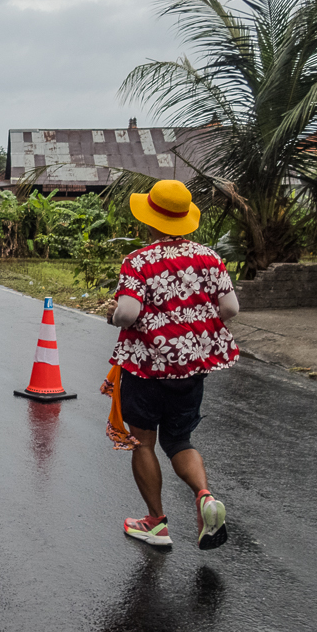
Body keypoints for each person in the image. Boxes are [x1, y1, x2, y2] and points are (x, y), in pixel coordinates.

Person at [105, 179, 240, 551]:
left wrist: (114, 314)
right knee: (180, 439)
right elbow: (231, 309)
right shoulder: (209, 258)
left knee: (143, 442)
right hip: (191, 368)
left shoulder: (139, 261)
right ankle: (206, 497)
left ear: (151, 218)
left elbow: (128, 313)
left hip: (146, 369)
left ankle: (155, 523)